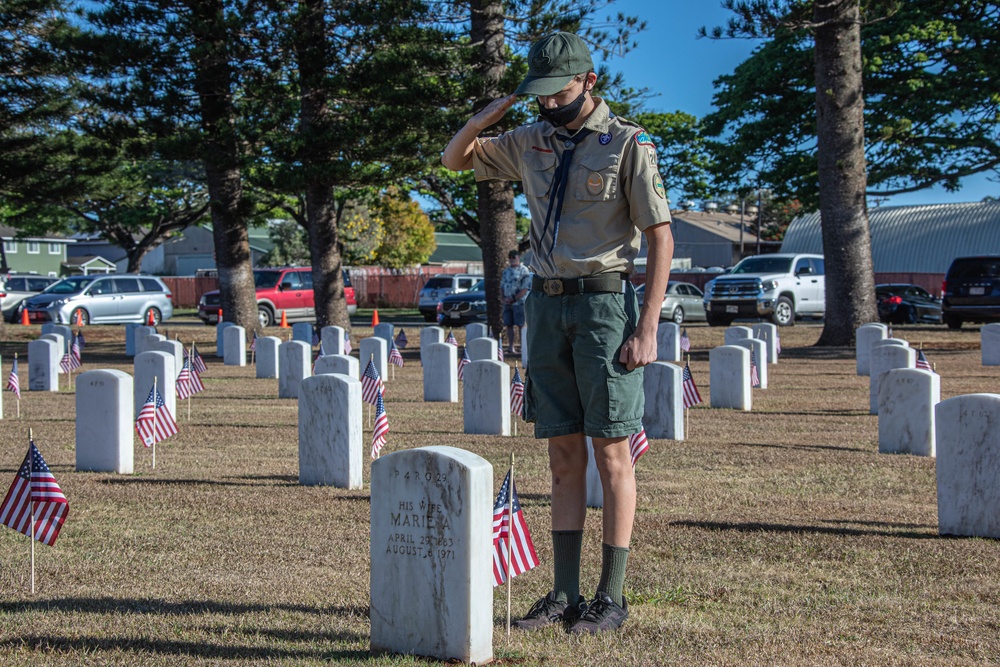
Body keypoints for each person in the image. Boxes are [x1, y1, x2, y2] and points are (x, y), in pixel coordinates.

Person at [442, 32, 674, 634]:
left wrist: (647, 326)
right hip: (545, 309)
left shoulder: (627, 143)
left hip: (604, 307)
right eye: (538, 94)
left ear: (588, 81)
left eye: (559, 92)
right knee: (562, 454)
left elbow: (659, 237)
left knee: (612, 452)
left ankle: (611, 597)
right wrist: (485, 116)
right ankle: (564, 595)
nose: (549, 104)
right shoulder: (527, 140)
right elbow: (454, 159)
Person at [500, 249, 531, 354]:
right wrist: (504, 298)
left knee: (521, 325)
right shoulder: (506, 271)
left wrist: (514, 298)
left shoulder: (524, 270)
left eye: (514, 257)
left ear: (518, 258)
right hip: (507, 302)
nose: (512, 259)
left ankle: (523, 348)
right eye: (510, 257)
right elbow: (502, 286)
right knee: (509, 325)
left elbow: (525, 288)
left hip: (519, 302)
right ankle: (511, 347)